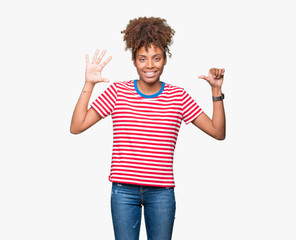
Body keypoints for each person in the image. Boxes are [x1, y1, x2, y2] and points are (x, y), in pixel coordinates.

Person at [70, 16, 225, 240]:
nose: (150, 65)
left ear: (165, 60)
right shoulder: (117, 93)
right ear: (134, 60)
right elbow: (77, 126)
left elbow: (217, 132)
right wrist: (89, 84)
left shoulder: (178, 96)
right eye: (142, 59)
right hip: (123, 191)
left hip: (161, 193)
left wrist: (216, 91)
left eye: (156, 58)